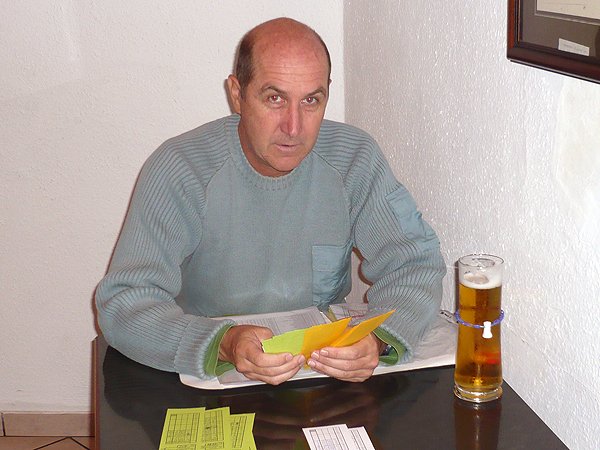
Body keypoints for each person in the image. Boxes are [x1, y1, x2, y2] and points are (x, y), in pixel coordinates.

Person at [95, 17, 445, 386]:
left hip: (318, 376)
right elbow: (124, 304)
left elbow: (416, 264)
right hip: (208, 375)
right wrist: (224, 343)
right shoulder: (181, 168)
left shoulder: (354, 159)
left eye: (311, 100)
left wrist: (378, 338)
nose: (293, 127)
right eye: (274, 98)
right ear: (237, 94)